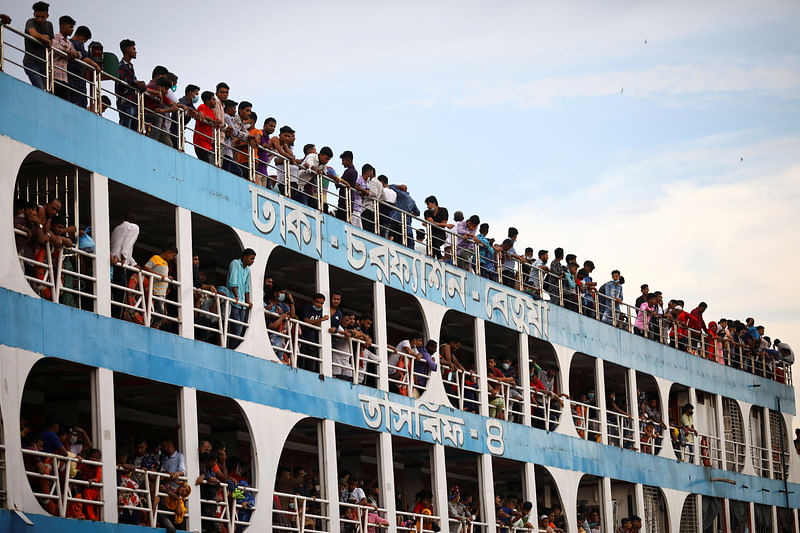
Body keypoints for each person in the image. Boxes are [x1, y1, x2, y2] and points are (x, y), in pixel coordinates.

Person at [141, 244, 178, 330]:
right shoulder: (155, 258)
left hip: (162, 293)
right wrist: (158, 275)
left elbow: (163, 275)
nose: (172, 258)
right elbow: (146, 267)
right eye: (173, 256)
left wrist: (168, 277)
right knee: (160, 313)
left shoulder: (165, 263)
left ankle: (155, 327)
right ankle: (154, 328)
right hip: (155, 291)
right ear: (168, 252)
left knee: (162, 312)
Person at [226, 248, 255, 348]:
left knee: (240, 328)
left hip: (242, 305)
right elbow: (232, 281)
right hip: (234, 302)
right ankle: (232, 348)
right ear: (245, 257)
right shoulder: (235, 263)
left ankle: (234, 347)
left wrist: (248, 302)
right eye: (251, 259)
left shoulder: (247, 270)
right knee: (236, 328)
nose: (252, 261)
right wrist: (236, 295)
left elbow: (247, 287)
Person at [116, 39, 146, 130]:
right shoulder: (120, 66)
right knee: (125, 127)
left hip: (133, 101)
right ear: (127, 50)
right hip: (125, 102)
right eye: (133, 49)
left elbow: (133, 80)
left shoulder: (130, 66)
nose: (135, 51)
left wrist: (140, 85)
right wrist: (137, 83)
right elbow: (123, 80)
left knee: (134, 128)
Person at [24, 2, 54, 91]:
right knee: (40, 89)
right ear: (34, 14)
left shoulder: (49, 25)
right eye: (37, 16)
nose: (39, 19)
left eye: (42, 17)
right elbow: (34, 34)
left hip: (44, 63)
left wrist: (47, 40)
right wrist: (45, 39)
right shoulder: (30, 22)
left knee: (45, 90)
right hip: (31, 62)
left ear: (47, 15)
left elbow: (50, 43)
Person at [299, 293, 329, 372]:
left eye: (321, 303)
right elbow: (306, 321)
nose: (319, 304)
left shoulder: (322, 311)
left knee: (311, 366)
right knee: (302, 363)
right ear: (313, 301)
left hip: (314, 341)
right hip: (304, 339)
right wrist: (321, 320)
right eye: (317, 302)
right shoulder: (308, 308)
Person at [193, 91, 220, 163]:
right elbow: (202, 115)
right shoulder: (202, 106)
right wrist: (214, 121)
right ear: (208, 100)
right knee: (206, 164)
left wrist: (217, 123)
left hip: (208, 143)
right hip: (201, 141)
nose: (215, 102)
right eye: (213, 99)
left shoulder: (211, 111)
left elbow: (216, 122)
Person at [336, 151, 358, 220]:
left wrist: (338, 180)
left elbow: (339, 182)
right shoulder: (354, 172)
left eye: (343, 160)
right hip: (349, 200)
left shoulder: (349, 171)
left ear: (349, 160)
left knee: (341, 218)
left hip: (344, 200)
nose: (342, 163)